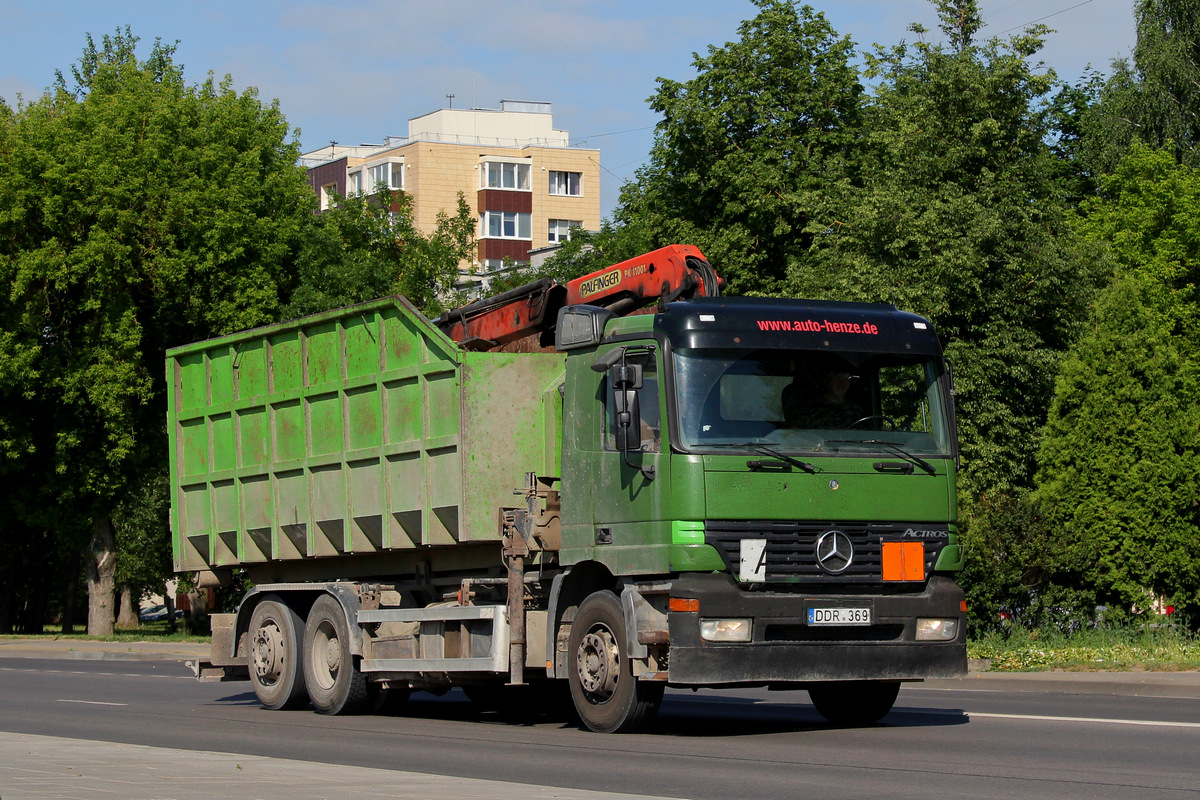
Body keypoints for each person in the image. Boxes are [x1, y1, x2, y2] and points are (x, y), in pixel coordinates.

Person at [782, 368, 866, 429]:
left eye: (847, 378)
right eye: (838, 378)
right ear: (827, 380)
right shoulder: (809, 408)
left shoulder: (857, 410)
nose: (842, 383)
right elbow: (795, 434)